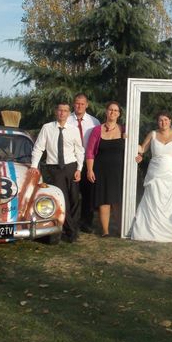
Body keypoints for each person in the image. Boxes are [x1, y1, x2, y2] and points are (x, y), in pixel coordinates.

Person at [131, 111, 172, 242]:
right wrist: (129, 139)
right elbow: (142, 149)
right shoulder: (153, 134)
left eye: (166, 120)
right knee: (154, 199)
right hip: (156, 175)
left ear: (170, 121)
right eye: (161, 120)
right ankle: (151, 230)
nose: (163, 122)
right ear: (157, 122)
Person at [32, 102, 84, 243]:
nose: (62, 113)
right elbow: (38, 148)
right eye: (60, 110)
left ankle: (71, 229)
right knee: (63, 200)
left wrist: (79, 169)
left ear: (68, 113)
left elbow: (79, 150)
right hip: (54, 168)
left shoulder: (73, 129)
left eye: (65, 111)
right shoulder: (47, 128)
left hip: (71, 167)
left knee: (74, 200)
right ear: (56, 112)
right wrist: (34, 166)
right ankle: (71, 233)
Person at [85, 101, 125, 237]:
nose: (113, 112)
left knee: (118, 201)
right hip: (101, 170)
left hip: (119, 172)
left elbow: (133, 149)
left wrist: (138, 156)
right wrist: (90, 170)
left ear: (119, 114)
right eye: (110, 110)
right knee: (104, 200)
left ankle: (121, 230)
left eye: (115, 110)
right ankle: (105, 231)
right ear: (106, 112)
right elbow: (90, 151)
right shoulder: (97, 130)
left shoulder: (124, 130)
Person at [67, 93, 100, 233]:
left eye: (82, 103)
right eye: (77, 103)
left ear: (87, 105)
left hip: (89, 162)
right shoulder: (67, 120)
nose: (79, 106)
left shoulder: (94, 122)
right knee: (72, 194)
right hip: (72, 161)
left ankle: (86, 222)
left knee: (88, 194)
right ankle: (71, 223)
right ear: (73, 104)